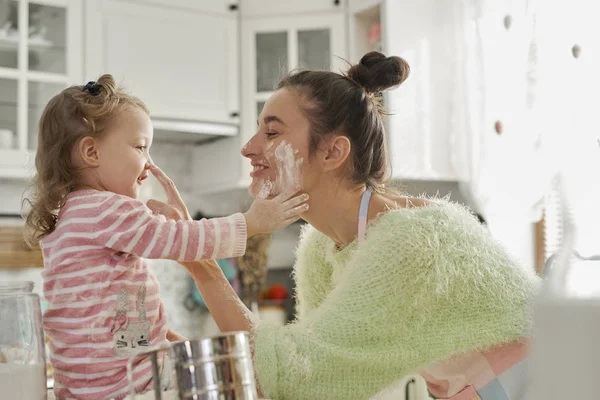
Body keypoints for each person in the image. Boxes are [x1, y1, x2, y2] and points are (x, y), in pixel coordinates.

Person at [151, 52, 541, 400]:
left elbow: (300, 377)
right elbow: (305, 375)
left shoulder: (408, 240)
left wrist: (202, 264)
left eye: (271, 132)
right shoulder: (321, 248)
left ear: (334, 152)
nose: (249, 146)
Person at [23, 74, 308, 400]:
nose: (148, 164)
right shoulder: (105, 209)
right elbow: (177, 238)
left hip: (85, 389)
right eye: (141, 148)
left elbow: (104, 319)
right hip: (126, 385)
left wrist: (156, 339)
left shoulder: (73, 216)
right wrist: (251, 222)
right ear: (91, 152)